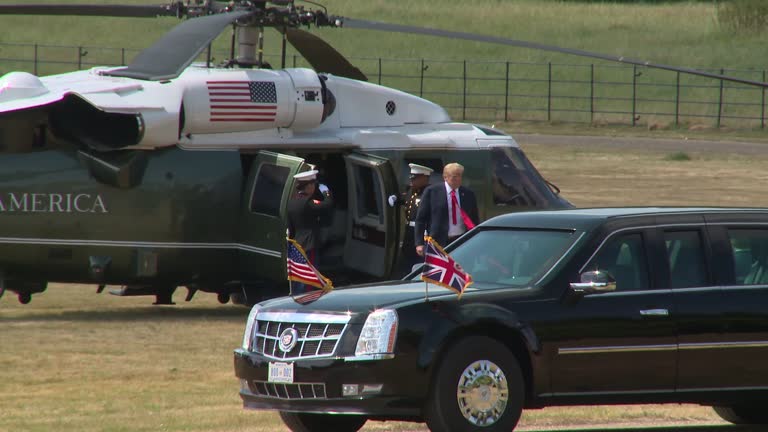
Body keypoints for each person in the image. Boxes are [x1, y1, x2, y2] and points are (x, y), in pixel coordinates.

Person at [415, 162, 479, 257]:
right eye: (454, 176)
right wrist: (419, 243)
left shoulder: (468, 194)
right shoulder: (432, 192)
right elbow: (421, 219)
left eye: (460, 176)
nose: (458, 179)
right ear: (445, 177)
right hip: (438, 241)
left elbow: (474, 218)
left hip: (461, 240)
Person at [287, 169, 334, 292]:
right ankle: (307, 301)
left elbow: (291, 227)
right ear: (308, 186)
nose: (314, 187)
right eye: (313, 185)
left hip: (297, 246)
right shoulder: (307, 203)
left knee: (300, 278)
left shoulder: (292, 203)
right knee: (310, 279)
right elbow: (327, 205)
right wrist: (326, 192)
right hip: (309, 244)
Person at [396, 163, 433, 275]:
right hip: (409, 233)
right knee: (407, 260)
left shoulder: (430, 192)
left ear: (425, 178)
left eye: (415, 178)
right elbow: (405, 200)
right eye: (411, 177)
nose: (412, 180)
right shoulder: (411, 192)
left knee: (420, 262)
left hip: (422, 233)